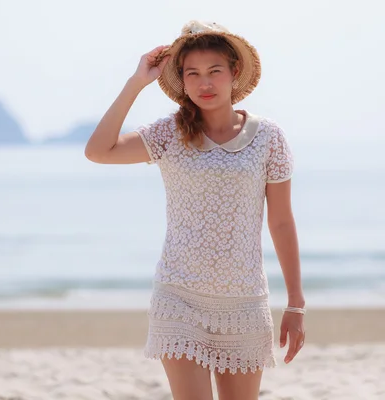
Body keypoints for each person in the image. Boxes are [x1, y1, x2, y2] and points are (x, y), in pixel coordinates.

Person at [84, 20, 306, 400]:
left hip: (244, 301)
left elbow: (281, 222)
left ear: (234, 73)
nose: (205, 83)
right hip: (179, 299)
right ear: (182, 81)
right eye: (193, 74)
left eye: (214, 71)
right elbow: (98, 151)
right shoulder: (169, 134)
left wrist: (296, 304)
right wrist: (137, 82)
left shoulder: (269, 137)